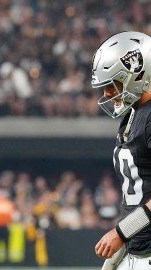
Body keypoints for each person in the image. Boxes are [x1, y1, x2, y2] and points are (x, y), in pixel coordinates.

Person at [91, 31, 151, 270]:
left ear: (137, 73)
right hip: (139, 249)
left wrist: (121, 232)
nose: (107, 93)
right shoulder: (135, 112)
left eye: (113, 83)